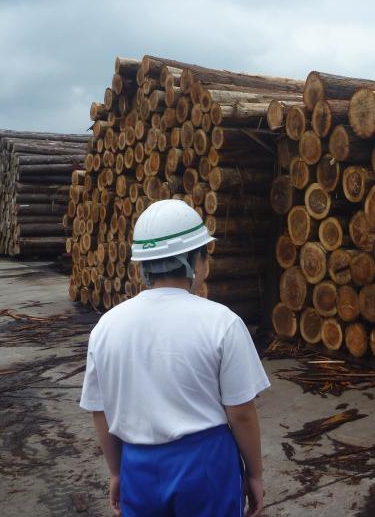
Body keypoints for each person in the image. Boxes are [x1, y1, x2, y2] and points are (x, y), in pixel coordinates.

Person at [80, 199, 270, 516]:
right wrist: (255, 473)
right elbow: (242, 414)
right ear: (195, 262)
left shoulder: (107, 326)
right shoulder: (222, 322)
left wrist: (117, 472)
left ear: (143, 266)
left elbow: (100, 412)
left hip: (138, 467)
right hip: (206, 467)